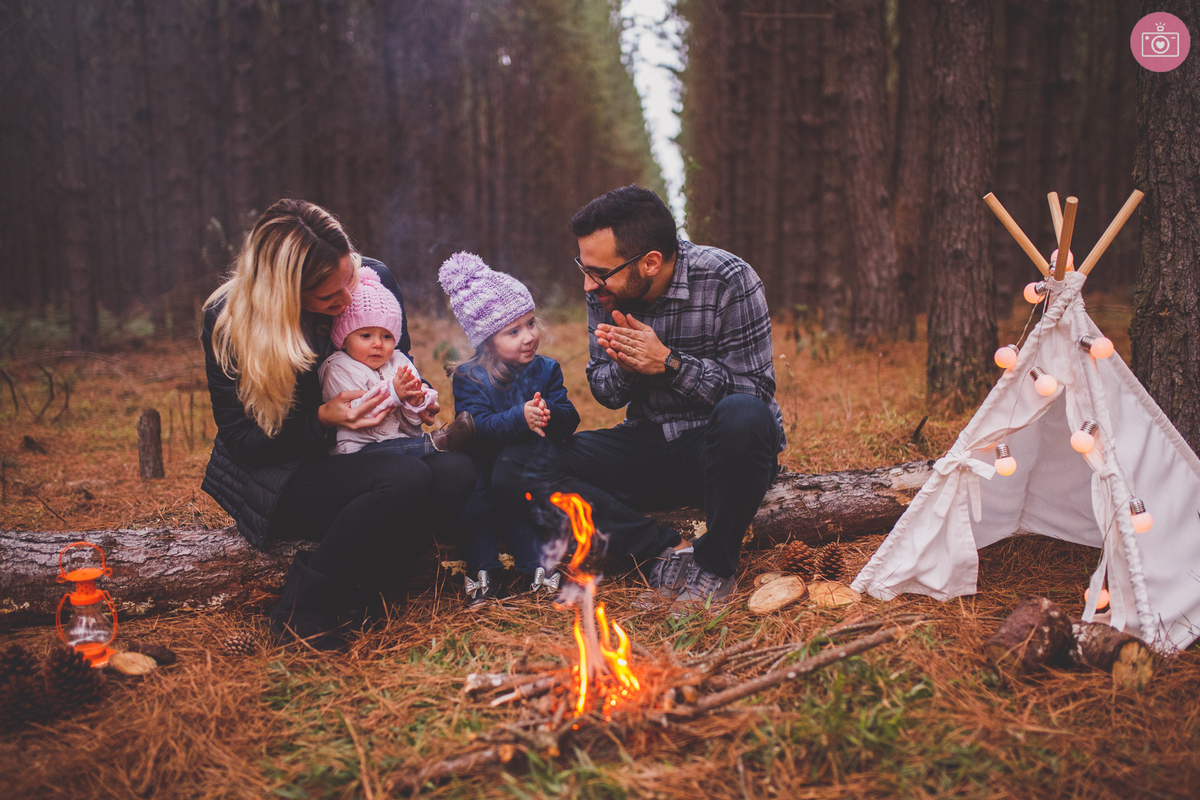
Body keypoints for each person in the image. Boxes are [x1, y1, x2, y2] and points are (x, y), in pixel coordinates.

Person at [493, 185, 784, 610]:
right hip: (647, 441)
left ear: (650, 262)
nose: (588, 285)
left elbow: (755, 395)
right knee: (517, 463)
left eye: (598, 272)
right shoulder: (606, 290)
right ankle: (666, 551)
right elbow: (604, 390)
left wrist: (670, 364)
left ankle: (716, 565)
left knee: (743, 416)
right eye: (583, 267)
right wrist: (627, 368)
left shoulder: (728, 279)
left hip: (718, 449)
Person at [201, 199, 475, 649]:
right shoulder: (229, 323)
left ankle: (361, 595)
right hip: (289, 470)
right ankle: (301, 609)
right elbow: (243, 442)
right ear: (286, 297)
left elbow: (395, 362)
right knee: (405, 477)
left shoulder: (374, 279)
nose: (349, 300)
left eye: (349, 279)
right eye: (331, 297)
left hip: (376, 448)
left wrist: (418, 395)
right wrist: (323, 419)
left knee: (458, 473)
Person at [439, 252, 581, 607]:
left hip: (523, 468)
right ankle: (483, 572)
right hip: (482, 467)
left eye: (531, 323)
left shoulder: (546, 370)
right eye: (513, 331)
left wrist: (548, 413)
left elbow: (570, 416)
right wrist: (520, 417)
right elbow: (476, 428)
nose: (529, 336)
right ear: (487, 340)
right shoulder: (469, 377)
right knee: (477, 505)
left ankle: (536, 569)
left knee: (522, 502)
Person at [318, 268, 475, 457]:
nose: (378, 344)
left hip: (401, 441)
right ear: (343, 338)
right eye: (366, 335)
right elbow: (358, 413)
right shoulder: (338, 368)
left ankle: (437, 447)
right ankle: (436, 443)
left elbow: (412, 420)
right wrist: (394, 393)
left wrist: (417, 402)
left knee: (454, 467)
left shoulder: (398, 360)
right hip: (357, 449)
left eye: (386, 336)